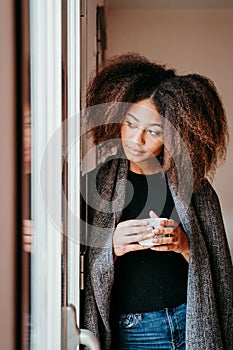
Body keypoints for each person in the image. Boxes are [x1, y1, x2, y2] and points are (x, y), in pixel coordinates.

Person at [81, 53, 233, 350]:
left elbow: (219, 267)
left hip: (190, 316)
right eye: (130, 124)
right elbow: (75, 265)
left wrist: (183, 244)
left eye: (153, 131)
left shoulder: (196, 187)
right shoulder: (94, 184)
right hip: (136, 328)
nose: (136, 139)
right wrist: (112, 246)